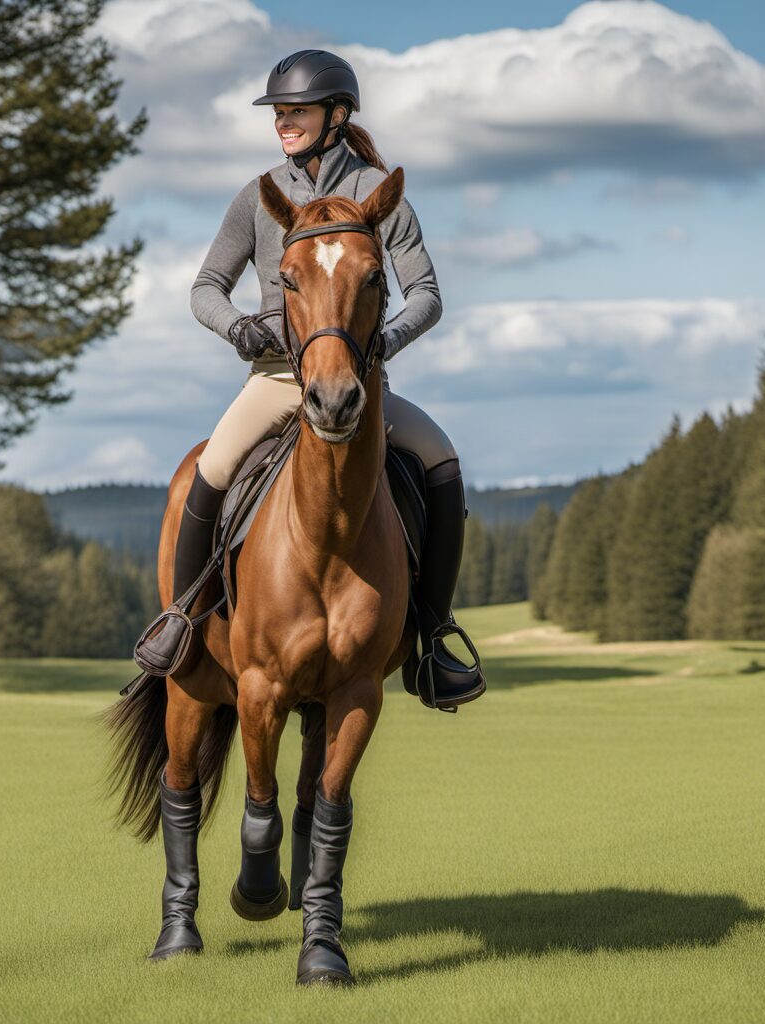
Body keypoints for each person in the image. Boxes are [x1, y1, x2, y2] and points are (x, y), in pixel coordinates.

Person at [134, 49, 484, 708]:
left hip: (359, 378)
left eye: (296, 111)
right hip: (276, 377)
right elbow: (206, 286)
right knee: (209, 472)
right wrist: (239, 327)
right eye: (279, 112)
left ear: (338, 114)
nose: (284, 122)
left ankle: (433, 636)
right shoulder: (257, 197)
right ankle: (183, 620)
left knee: (441, 461)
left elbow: (427, 294)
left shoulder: (380, 196)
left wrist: (385, 341)